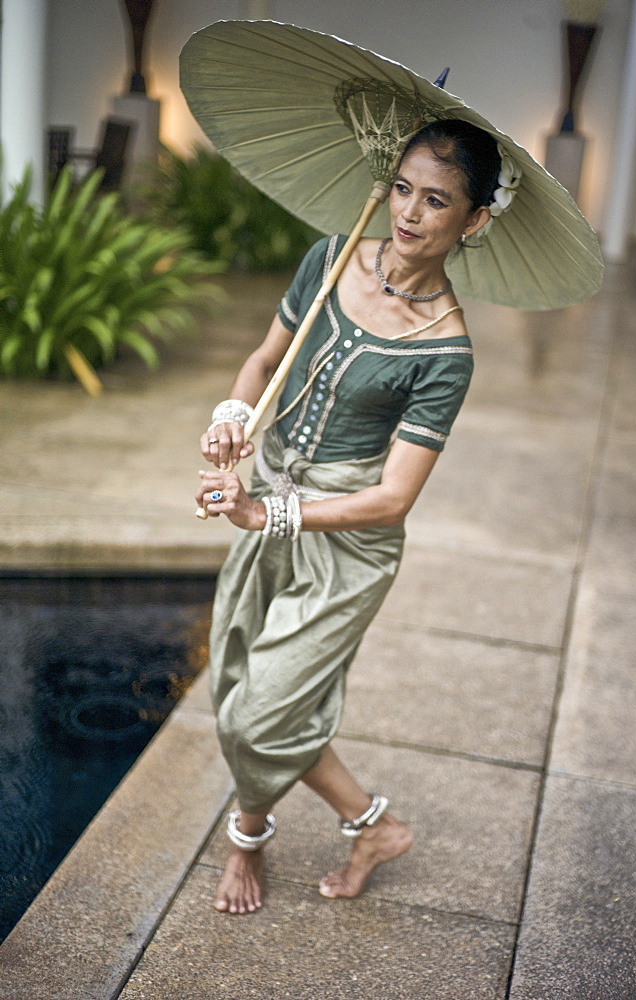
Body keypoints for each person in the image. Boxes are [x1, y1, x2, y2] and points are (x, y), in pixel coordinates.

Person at [195, 119, 509, 915]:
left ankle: (251, 838)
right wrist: (235, 415)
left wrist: (264, 514)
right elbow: (265, 361)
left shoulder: (444, 352)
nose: (407, 213)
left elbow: (391, 498)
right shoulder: (331, 257)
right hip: (269, 498)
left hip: (346, 543)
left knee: (264, 709)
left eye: (436, 201)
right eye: (401, 188)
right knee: (240, 687)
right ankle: (372, 827)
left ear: (471, 221)